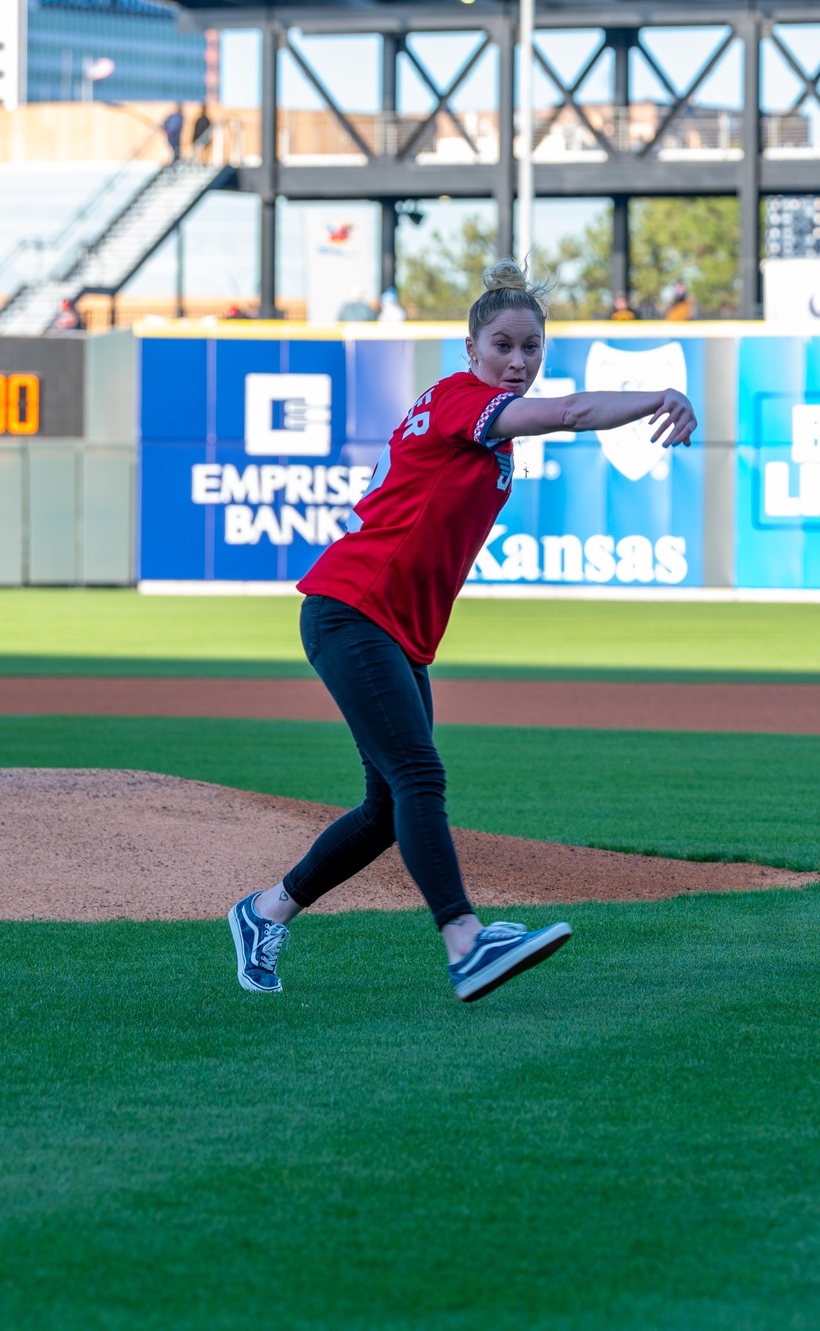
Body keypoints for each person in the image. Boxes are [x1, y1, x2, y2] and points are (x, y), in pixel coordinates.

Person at [227, 260, 698, 1002]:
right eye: (503, 345)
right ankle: (466, 941)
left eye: (532, 348)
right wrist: (659, 396)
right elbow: (571, 415)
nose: (517, 361)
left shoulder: (475, 416)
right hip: (354, 606)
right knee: (419, 775)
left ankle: (264, 911)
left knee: (387, 805)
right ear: (471, 348)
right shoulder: (458, 400)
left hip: (394, 627)